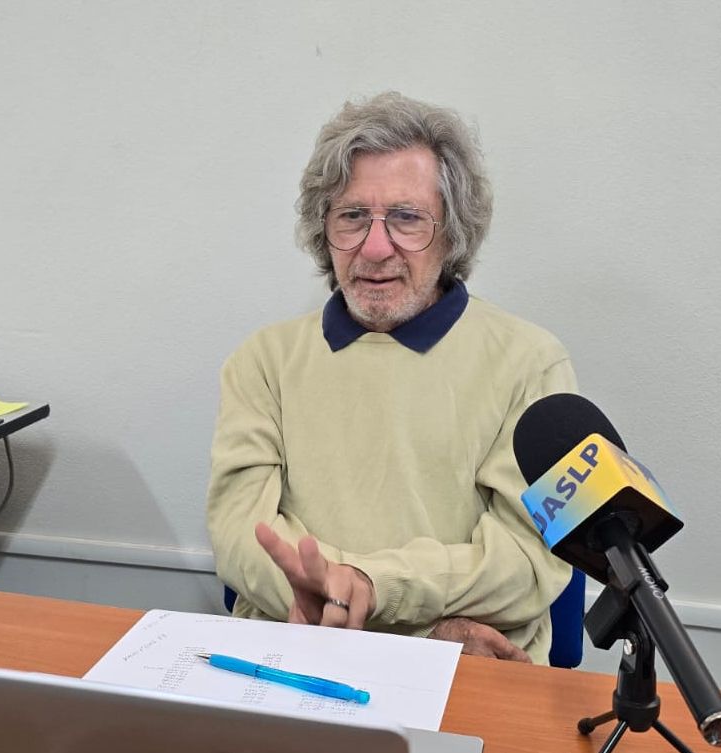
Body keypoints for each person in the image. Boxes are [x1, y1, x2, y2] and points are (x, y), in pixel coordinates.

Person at [206, 92, 575, 664]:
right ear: (324, 229)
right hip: (299, 663)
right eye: (353, 216)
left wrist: (371, 587)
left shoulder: (535, 363)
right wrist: (354, 598)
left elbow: (530, 560)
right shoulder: (261, 362)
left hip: (465, 667)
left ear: (452, 233)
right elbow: (239, 539)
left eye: (406, 218)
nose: (376, 248)